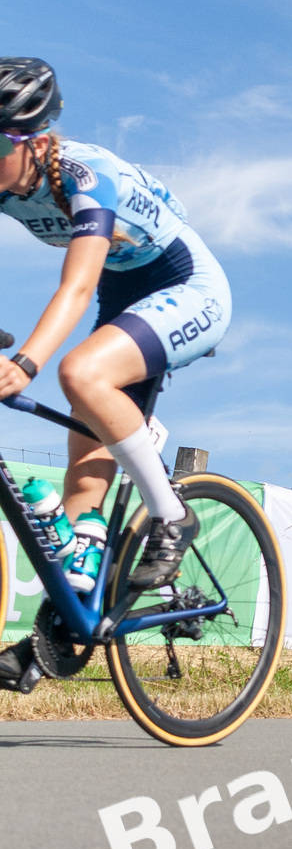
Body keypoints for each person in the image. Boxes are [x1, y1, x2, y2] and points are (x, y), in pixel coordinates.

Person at [0, 58, 230, 691]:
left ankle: (171, 514)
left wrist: (25, 362)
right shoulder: (7, 181)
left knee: (79, 371)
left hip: (188, 287)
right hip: (123, 298)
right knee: (82, 492)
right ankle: (59, 637)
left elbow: (75, 287)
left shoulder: (87, 174)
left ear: (35, 140)